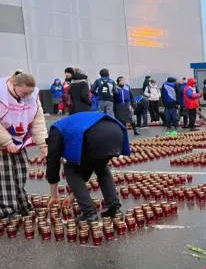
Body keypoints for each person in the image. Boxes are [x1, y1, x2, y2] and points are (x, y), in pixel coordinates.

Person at [46, 112, 129, 222]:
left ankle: (89, 212)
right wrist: (72, 195)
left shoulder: (55, 132)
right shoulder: (68, 125)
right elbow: (87, 167)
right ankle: (114, 207)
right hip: (115, 130)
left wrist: (54, 196)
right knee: (101, 166)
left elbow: (52, 163)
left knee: (71, 170)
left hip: (94, 135)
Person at [0, 71, 48, 220]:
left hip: (18, 140)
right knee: (5, 176)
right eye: (24, 93)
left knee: (20, 172)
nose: (27, 96)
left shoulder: (32, 97)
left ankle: (21, 205)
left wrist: (43, 144)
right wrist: (7, 141)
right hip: (3, 140)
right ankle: (7, 210)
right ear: (14, 85)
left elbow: (38, 122)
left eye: (30, 93)